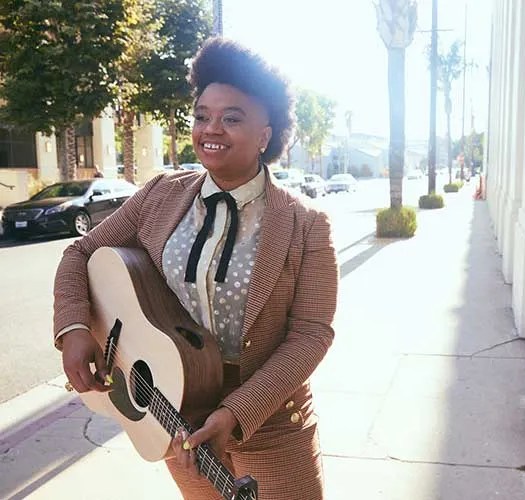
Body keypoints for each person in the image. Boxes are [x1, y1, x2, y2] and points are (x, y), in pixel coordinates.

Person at [53, 37, 338, 500]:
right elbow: (79, 254)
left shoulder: (305, 225)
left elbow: (311, 334)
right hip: (175, 415)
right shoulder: (160, 195)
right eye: (202, 115)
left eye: (232, 118)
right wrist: (73, 328)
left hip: (271, 424)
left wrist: (236, 412)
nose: (211, 128)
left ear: (265, 134)